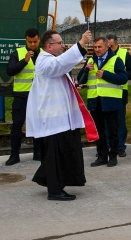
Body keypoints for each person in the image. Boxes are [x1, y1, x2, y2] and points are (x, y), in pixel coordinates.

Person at [26, 30, 93, 201]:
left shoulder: (51, 60)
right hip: (53, 120)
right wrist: (81, 43)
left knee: (62, 153)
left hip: (61, 119)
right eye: (60, 42)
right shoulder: (44, 61)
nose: (63, 45)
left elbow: (62, 67)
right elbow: (60, 64)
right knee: (56, 155)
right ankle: (54, 190)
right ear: (49, 46)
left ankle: (46, 178)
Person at [77, 37, 128, 167]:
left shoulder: (116, 60)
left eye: (100, 47)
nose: (97, 50)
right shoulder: (90, 60)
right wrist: (86, 70)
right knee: (99, 131)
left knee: (112, 131)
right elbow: (80, 80)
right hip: (95, 101)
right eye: (95, 47)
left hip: (111, 101)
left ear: (107, 47)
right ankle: (102, 156)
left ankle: (113, 156)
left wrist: (106, 75)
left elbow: (123, 78)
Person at [4, 28, 42, 166]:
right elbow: (10, 71)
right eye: (30, 42)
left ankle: (38, 153)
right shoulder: (17, 53)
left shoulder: (44, 54)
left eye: (35, 41)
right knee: (17, 125)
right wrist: (25, 61)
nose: (32, 44)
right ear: (26, 40)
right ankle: (14, 155)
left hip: (38, 95)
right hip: (21, 95)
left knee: (38, 124)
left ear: (39, 40)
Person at [106, 34, 131, 158]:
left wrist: (120, 77)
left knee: (120, 121)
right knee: (106, 122)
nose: (109, 48)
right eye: (107, 46)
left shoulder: (124, 55)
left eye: (111, 46)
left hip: (120, 92)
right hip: (105, 93)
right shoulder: (102, 55)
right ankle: (108, 146)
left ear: (117, 44)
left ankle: (120, 147)